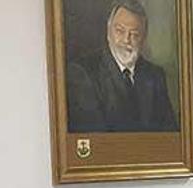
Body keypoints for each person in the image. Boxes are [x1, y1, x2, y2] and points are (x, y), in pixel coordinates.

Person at [66, 0, 178, 133]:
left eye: (134, 34)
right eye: (120, 31)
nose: (126, 40)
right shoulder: (83, 72)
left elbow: (170, 134)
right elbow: (93, 136)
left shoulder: (155, 76)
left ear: (143, 39)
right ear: (108, 32)